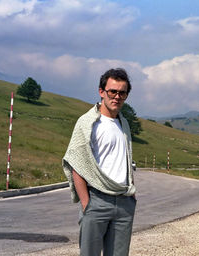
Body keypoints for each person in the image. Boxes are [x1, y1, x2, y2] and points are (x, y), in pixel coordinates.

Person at [62, 68, 136, 256]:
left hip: (124, 201)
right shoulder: (87, 123)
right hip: (97, 200)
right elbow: (76, 163)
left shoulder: (124, 123)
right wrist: (87, 203)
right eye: (112, 91)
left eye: (122, 92)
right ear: (101, 92)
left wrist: (131, 194)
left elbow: (125, 160)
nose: (117, 97)